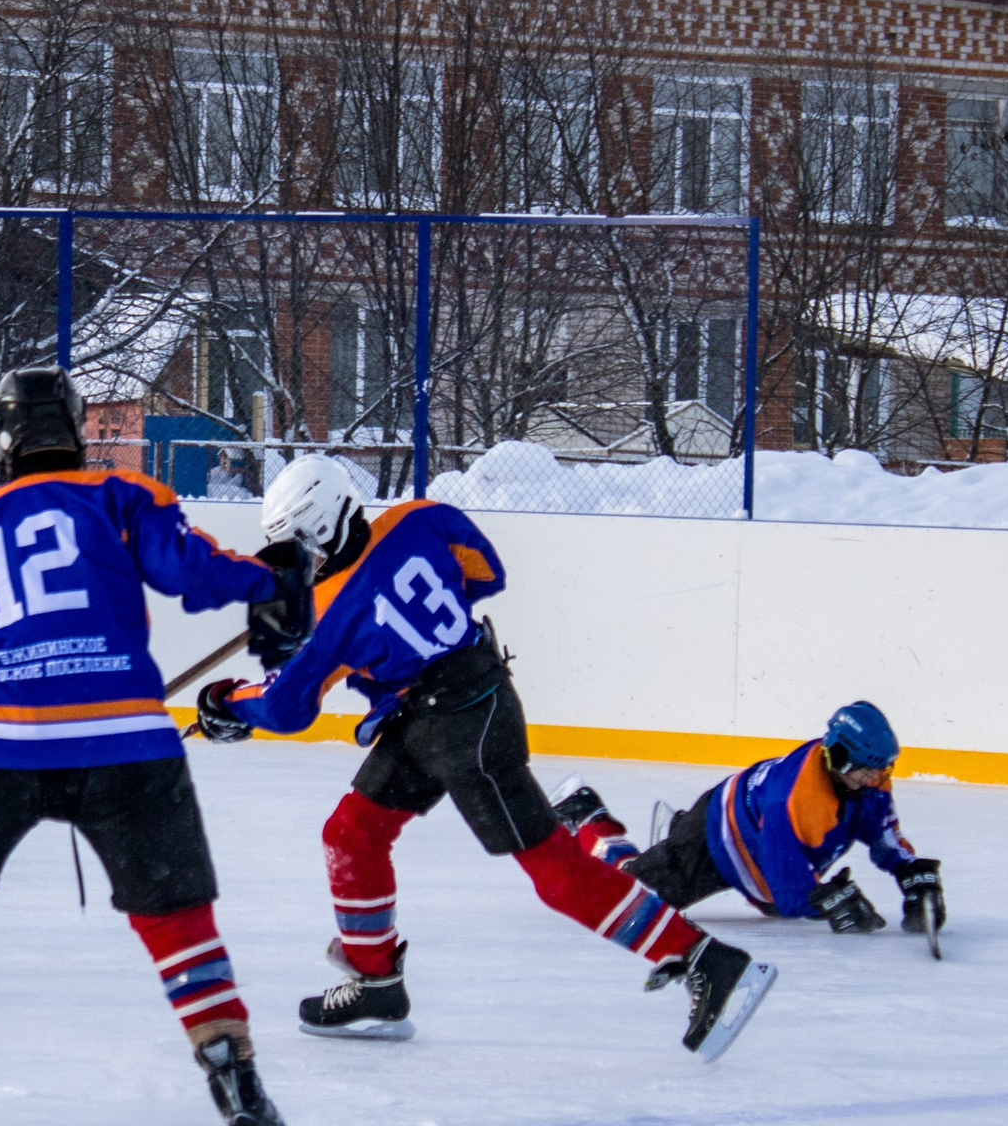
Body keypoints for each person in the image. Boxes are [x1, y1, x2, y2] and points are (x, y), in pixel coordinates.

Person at [0, 366, 306, 1126]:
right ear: (73, 427)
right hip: (126, 737)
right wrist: (270, 580)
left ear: (0, 439)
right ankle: (236, 1076)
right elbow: (192, 573)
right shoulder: (124, 496)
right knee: (175, 912)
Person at [196, 455, 777, 1062]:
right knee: (352, 834)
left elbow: (289, 706)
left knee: (554, 871)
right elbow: (485, 570)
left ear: (322, 528)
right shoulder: (418, 517)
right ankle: (376, 985)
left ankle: (702, 959)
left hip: (463, 726)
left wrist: (229, 702)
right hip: (449, 701)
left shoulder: (332, 612)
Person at [551, 701, 943, 939]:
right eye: (869, 771)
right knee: (626, 892)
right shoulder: (794, 800)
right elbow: (786, 895)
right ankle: (586, 811)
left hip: (758, 843)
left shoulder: (867, 783)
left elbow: (883, 834)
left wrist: (910, 871)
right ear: (839, 758)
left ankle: (670, 838)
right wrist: (824, 901)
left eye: (884, 771)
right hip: (714, 841)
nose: (878, 781)